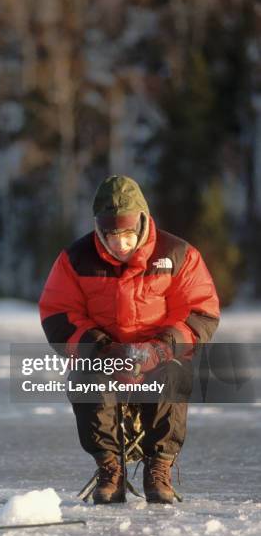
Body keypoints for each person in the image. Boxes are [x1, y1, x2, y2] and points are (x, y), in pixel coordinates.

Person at [39, 175, 220, 504]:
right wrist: (104, 350)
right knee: (84, 377)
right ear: (99, 229)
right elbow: (57, 314)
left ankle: (159, 468)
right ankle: (110, 468)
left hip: (158, 358)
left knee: (175, 374)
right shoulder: (74, 259)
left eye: (126, 234)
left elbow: (200, 313)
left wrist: (160, 349)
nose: (119, 244)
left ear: (141, 222)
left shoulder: (178, 254)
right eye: (111, 234)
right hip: (106, 357)